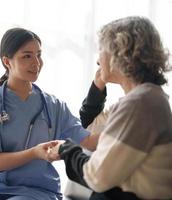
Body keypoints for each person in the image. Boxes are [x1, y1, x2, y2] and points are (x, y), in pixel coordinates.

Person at [0, 27, 98, 200]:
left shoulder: (54, 106)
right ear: (7, 61)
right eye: (27, 56)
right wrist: (35, 153)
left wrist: (128, 132)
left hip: (35, 190)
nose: (36, 63)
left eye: (39, 55)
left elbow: (87, 140)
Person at [49, 16, 172, 199]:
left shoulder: (139, 104)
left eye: (101, 50)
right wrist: (98, 85)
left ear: (120, 54)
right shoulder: (147, 98)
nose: (98, 60)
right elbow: (88, 131)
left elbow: (97, 176)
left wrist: (65, 149)